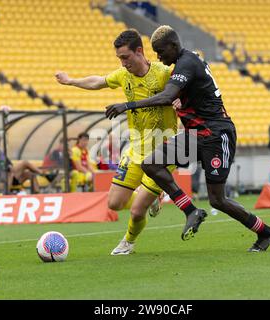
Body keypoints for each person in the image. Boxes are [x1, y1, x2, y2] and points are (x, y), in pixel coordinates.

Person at [105, 25, 270, 252]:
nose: (158, 57)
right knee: (151, 162)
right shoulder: (183, 64)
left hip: (217, 135)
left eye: (160, 52)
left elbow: (167, 95)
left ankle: (265, 232)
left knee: (218, 200)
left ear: (173, 46)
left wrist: (127, 105)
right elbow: (172, 95)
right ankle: (190, 210)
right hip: (194, 134)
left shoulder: (188, 63)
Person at [55, 29, 178, 255]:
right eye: (119, 58)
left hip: (164, 151)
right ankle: (149, 197)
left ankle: (128, 242)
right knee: (114, 204)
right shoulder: (124, 75)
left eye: (125, 57)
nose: (122, 63)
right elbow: (98, 82)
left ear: (139, 51)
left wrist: (181, 101)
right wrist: (71, 81)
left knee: (137, 212)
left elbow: (183, 90)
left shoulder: (162, 73)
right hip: (135, 149)